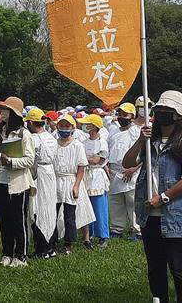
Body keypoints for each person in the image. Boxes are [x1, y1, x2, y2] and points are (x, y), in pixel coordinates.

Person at [124, 91, 182, 303]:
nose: (162, 114)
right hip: (150, 215)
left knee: (179, 268)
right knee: (155, 267)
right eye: (160, 111)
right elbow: (127, 163)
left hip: (176, 216)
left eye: (168, 111)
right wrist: (141, 140)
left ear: (178, 115)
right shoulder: (150, 142)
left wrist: (163, 197)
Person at [0, 97, 35, 268]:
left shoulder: (24, 134)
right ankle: (7, 252)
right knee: (4, 219)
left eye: (6, 110)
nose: (2, 113)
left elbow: (30, 160)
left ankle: (21, 254)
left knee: (18, 219)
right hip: (0, 179)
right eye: (1, 110)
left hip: (17, 182)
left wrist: (12, 162)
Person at [51, 114, 88, 255]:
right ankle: (52, 241)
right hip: (56, 180)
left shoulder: (77, 145)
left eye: (67, 126)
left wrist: (76, 185)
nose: (64, 129)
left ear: (72, 128)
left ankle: (68, 243)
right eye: (62, 126)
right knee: (52, 212)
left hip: (70, 180)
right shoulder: (54, 143)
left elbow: (81, 167)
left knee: (69, 215)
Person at [24, 108, 58, 259]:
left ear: (31, 122)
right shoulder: (51, 137)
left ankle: (41, 248)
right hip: (50, 171)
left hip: (38, 173)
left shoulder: (33, 139)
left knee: (37, 208)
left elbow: (31, 160)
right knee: (50, 208)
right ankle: (50, 246)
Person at [107, 102, 142, 241]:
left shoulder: (136, 131)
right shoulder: (113, 131)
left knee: (132, 202)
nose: (121, 117)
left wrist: (134, 169)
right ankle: (117, 228)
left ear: (132, 116)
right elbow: (110, 149)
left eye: (125, 114)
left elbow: (143, 153)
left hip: (131, 171)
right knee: (116, 202)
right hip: (115, 171)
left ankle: (137, 229)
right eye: (120, 114)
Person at [78, 113, 110, 248]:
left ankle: (103, 235)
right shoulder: (83, 143)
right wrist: (89, 158)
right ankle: (88, 234)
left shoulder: (102, 142)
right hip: (86, 175)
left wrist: (87, 158)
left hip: (97, 176)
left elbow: (99, 159)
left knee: (99, 207)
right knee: (87, 206)